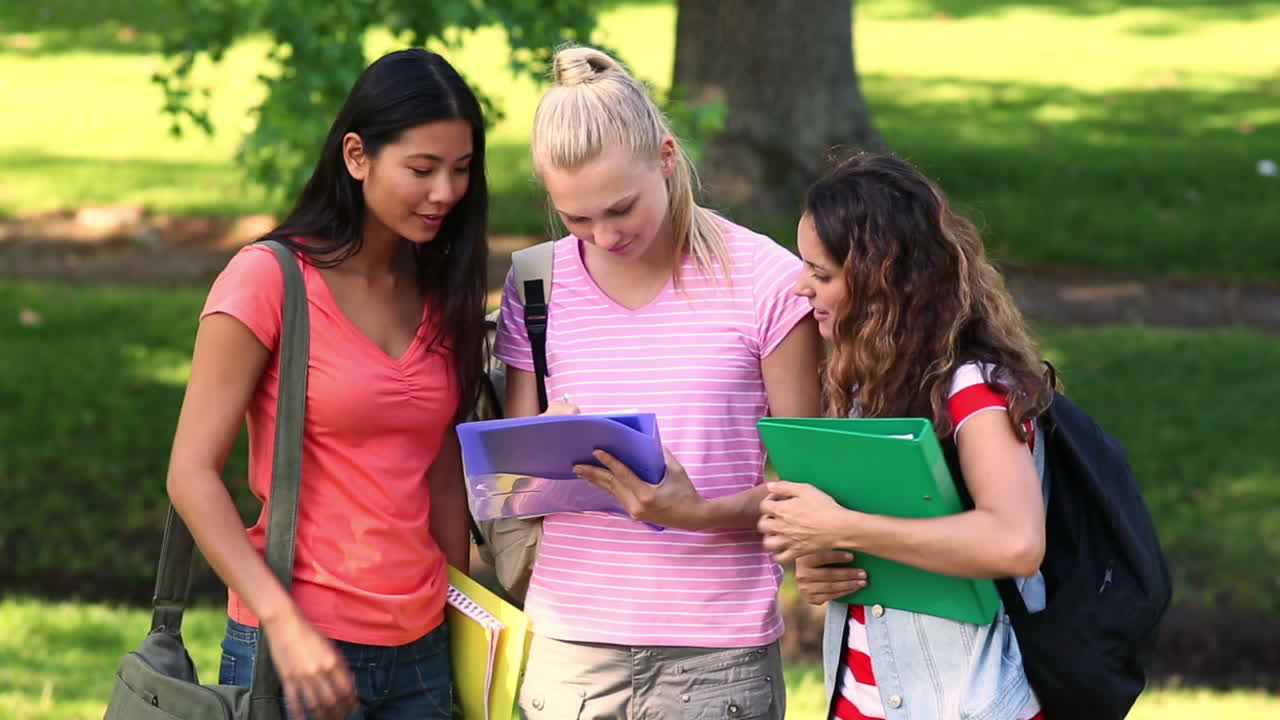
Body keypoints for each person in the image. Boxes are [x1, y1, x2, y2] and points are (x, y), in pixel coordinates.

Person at [491, 45, 822, 719]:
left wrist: (692, 513)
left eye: (620, 209)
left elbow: (810, 490)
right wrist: (540, 451)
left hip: (717, 658)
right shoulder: (535, 282)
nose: (603, 235)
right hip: (570, 655)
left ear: (666, 157)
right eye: (576, 219)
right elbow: (507, 490)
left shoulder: (767, 279)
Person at [165, 49, 489, 720]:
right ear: (356, 155)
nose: (446, 193)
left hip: (425, 654)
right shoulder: (268, 280)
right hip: (297, 649)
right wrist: (281, 624)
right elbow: (191, 474)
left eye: (461, 170)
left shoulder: (442, 291)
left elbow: (441, 474)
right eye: (422, 169)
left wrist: (466, 624)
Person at [759, 152, 1053, 720]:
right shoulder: (864, 387)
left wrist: (843, 525)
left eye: (821, 274)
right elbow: (887, 542)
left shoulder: (972, 388)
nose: (801, 288)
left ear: (882, 274)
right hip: (864, 696)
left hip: (965, 700)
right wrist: (827, 562)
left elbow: (1016, 543)